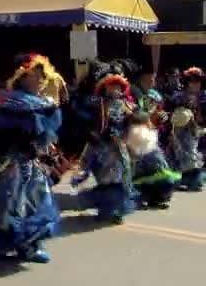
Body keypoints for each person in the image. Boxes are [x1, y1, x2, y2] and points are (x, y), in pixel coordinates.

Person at [0, 53, 62, 264]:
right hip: (12, 161)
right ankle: (4, 242)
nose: (40, 78)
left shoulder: (45, 103)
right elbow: (1, 133)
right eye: (34, 74)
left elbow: (46, 135)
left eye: (42, 74)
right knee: (7, 202)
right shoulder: (11, 102)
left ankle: (31, 246)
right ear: (21, 78)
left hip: (33, 162)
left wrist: (45, 152)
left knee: (37, 199)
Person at [72, 61, 137, 224]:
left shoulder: (127, 105)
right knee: (105, 179)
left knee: (120, 178)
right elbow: (83, 118)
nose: (114, 90)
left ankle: (115, 210)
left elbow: (136, 121)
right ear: (104, 87)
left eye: (117, 87)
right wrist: (91, 133)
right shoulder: (96, 103)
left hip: (119, 148)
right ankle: (106, 208)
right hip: (100, 147)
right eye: (111, 86)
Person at [128, 66, 180, 208]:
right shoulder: (132, 93)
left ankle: (158, 197)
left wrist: (162, 118)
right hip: (136, 136)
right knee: (145, 168)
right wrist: (149, 117)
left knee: (156, 167)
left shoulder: (154, 94)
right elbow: (134, 115)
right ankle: (146, 197)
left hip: (149, 136)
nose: (152, 81)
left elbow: (159, 114)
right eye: (149, 79)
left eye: (153, 79)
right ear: (141, 79)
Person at [168, 67, 206, 192]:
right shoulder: (179, 96)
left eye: (198, 81)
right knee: (181, 154)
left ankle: (194, 180)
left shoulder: (203, 96)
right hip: (181, 130)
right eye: (193, 81)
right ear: (187, 83)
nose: (196, 84)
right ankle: (180, 180)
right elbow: (173, 114)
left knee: (194, 155)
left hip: (199, 130)